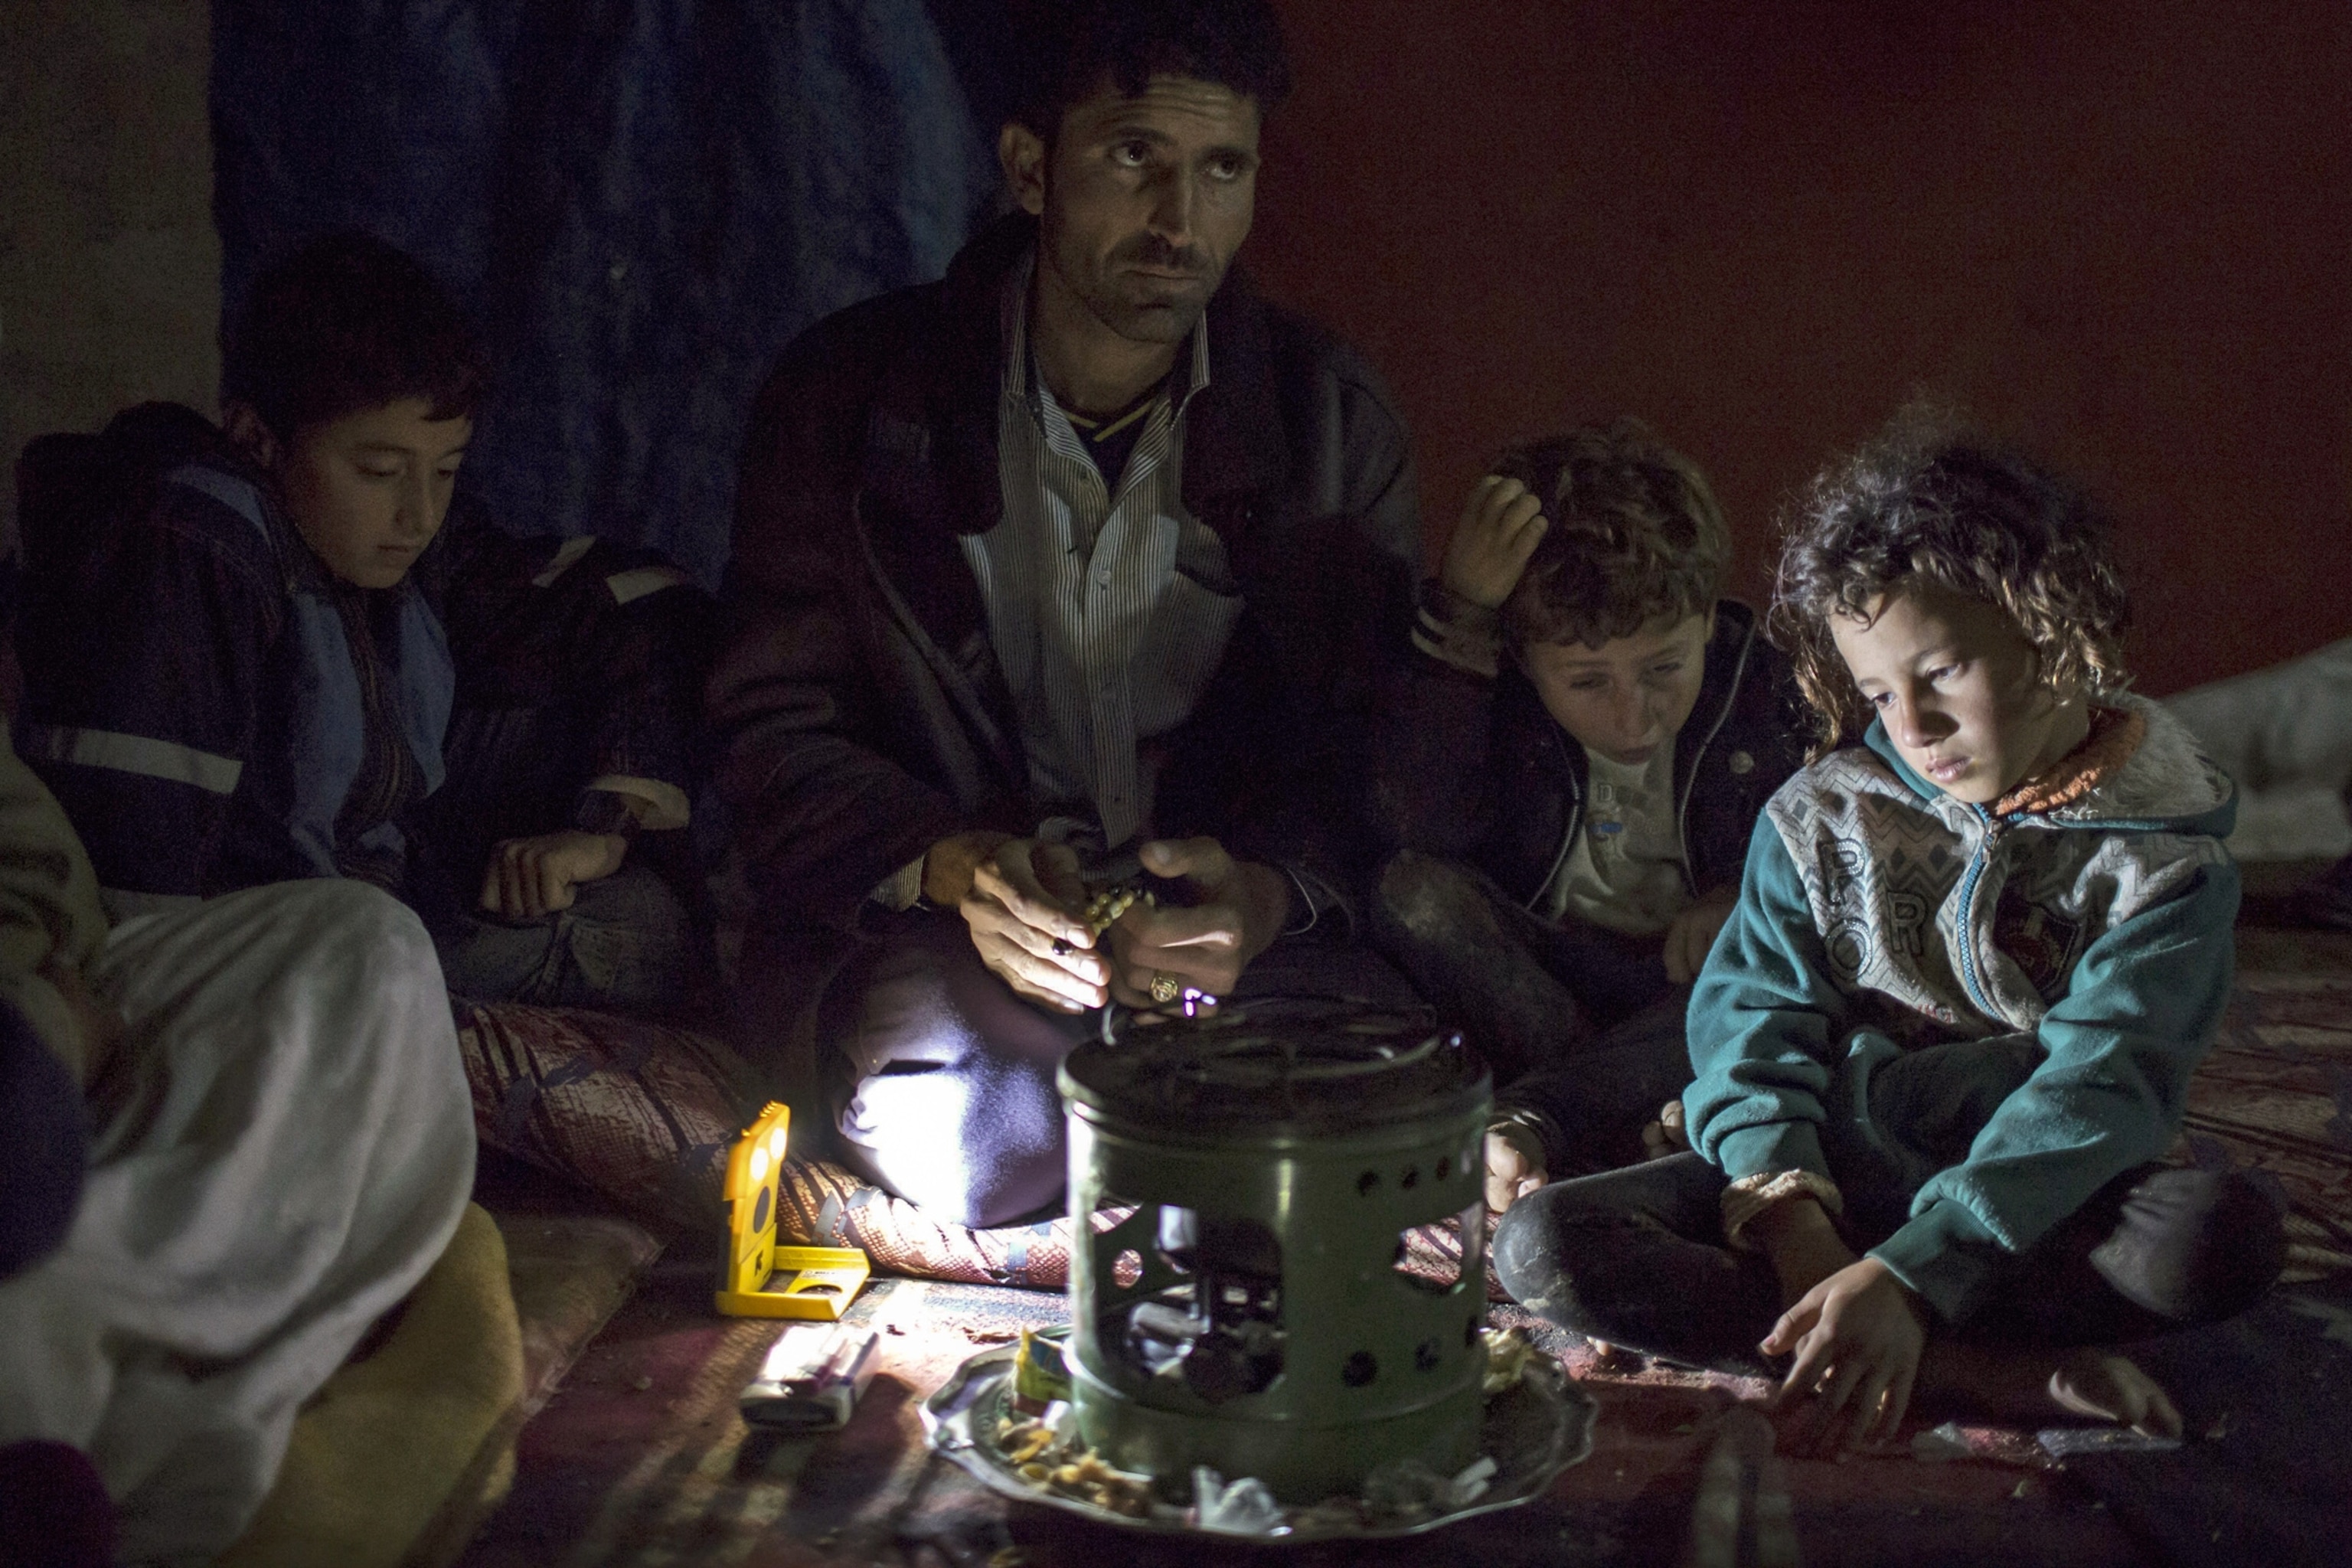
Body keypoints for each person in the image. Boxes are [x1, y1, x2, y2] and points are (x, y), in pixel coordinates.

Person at [711, 0, 1421, 1227]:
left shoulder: (1329, 424)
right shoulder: (847, 398)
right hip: (946, 944)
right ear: (1032, 169)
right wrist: (952, 864)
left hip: (1214, 954)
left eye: (1223, 170)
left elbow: (1369, 747)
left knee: (1385, 1111)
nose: (1179, 225)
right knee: (1000, 1142)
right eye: (1134, 157)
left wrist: (1258, 895)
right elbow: (771, 729)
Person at [1491, 423, 2284, 1452]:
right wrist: (1800, 1234)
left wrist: (1919, 1268)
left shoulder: (2164, 866)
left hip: (2017, 1201)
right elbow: (1752, 1024)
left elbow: (2102, 1087)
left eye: (1943, 675)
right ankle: (1976, 1369)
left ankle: (1896, 1321)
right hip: (1824, 1168)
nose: (1911, 727)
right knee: (1543, 1243)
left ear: (2056, 635)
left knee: (2215, 1239)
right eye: (1876, 694)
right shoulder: (1824, 817)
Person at [11, 233, 707, 1013]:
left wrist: (600, 827)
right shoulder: (199, 539)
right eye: (378, 472)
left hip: (371, 918)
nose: (418, 512)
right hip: (255, 957)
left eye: (445, 470)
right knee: (637, 943)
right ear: (255, 439)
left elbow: (643, 600)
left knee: (649, 914)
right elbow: (134, 892)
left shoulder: (411, 549)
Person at [0, 736, 473, 1563]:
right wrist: (52, 1035)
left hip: (55, 971)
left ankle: (100, 1320)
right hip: (30, 1046)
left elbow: (25, 854)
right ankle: (46, 1397)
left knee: (363, 939)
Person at [1368, 421, 1807, 1211]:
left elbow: (1832, 858)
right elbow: (1418, 829)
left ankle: (1549, 1116)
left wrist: (1742, 894)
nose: (1634, 715)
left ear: (1708, 617)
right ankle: (1616, 1103)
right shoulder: (1492, 684)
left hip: (1688, 993)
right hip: (1547, 989)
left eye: (1664, 668)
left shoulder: (1769, 690)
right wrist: (1463, 619)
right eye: (1587, 681)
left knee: (1759, 979)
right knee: (1413, 894)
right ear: (1524, 656)